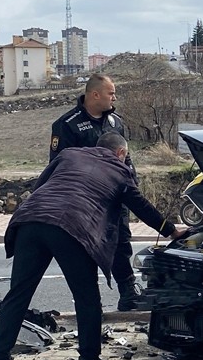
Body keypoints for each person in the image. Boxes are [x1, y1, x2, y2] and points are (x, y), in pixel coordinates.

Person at [0, 133, 184, 360]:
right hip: (73, 227)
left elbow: (40, 187)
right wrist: (170, 230)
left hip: (30, 221)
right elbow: (141, 206)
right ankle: (89, 358)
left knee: (18, 294)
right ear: (121, 153)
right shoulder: (119, 170)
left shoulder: (68, 155)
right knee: (86, 296)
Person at [49, 74, 141, 311]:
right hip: (86, 202)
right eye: (111, 93)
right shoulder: (67, 124)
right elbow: (59, 165)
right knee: (86, 247)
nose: (114, 97)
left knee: (121, 241)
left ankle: (128, 290)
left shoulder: (115, 123)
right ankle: (91, 302)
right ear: (95, 95)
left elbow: (125, 158)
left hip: (115, 195)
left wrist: (132, 186)